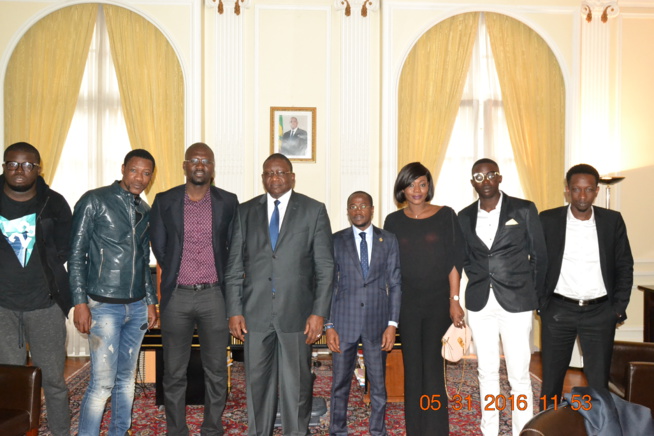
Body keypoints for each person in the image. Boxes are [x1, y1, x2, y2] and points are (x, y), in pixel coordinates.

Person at [225, 153, 334, 436]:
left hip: (298, 314)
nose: (274, 178)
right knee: (257, 384)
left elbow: (324, 267)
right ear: (263, 178)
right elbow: (235, 265)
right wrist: (234, 310)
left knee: (296, 385)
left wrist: (319, 312)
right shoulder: (245, 211)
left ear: (292, 177)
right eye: (269, 173)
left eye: (280, 172)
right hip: (254, 314)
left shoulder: (314, 210)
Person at [150, 142, 238, 436]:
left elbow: (234, 248)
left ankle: (212, 427)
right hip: (178, 297)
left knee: (216, 370)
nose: (201, 166)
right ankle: (177, 430)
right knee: (174, 371)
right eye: (195, 161)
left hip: (215, 296)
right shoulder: (165, 200)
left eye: (207, 161)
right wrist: (177, 273)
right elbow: (160, 246)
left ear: (213, 168)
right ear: (185, 165)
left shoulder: (228, 201)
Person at [69, 149, 158, 436]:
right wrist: (80, 302)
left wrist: (151, 302)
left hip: (136, 307)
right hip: (103, 305)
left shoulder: (145, 211)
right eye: (134, 170)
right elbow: (76, 254)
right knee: (103, 383)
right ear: (123, 168)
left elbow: (144, 261)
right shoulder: (94, 200)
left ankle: (119, 432)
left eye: (146, 173)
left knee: (126, 381)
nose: (140, 178)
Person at [457, 158, 547, 436]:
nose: (485, 181)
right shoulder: (464, 216)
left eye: (490, 175)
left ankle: (523, 431)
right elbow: (463, 258)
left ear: (499, 178)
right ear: (473, 182)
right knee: (486, 371)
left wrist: (534, 295)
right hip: (480, 303)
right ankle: (490, 431)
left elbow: (540, 256)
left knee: (519, 375)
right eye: (479, 177)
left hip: (517, 303)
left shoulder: (523, 209)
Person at [538, 164, 633, 409]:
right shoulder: (548, 220)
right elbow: (536, 263)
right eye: (577, 190)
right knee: (551, 383)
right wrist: (541, 305)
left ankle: (599, 429)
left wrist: (617, 309)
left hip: (600, 313)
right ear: (567, 190)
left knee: (599, 385)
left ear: (597, 191)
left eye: (588, 190)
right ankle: (546, 428)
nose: (582, 196)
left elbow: (624, 266)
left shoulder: (612, 221)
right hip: (558, 311)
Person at [383, 162, 464, 436]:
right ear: (402, 188)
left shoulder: (446, 216)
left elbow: (454, 262)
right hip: (406, 305)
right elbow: (389, 267)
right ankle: (415, 429)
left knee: (432, 366)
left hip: (437, 303)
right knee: (412, 368)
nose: (416, 190)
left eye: (422, 184)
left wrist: (454, 300)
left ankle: (436, 429)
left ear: (429, 186)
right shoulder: (393, 221)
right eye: (411, 184)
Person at [0, 141, 72, 436]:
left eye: (28, 165)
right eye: (13, 164)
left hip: (45, 306)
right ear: (4, 167)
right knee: (7, 379)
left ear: (38, 169)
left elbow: (67, 248)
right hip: (2, 309)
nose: (20, 170)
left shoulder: (54, 202)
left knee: (53, 380)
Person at [326, 191, 402, 436]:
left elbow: (396, 283)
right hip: (343, 322)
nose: (357, 210)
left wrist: (392, 324)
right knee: (339, 384)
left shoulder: (388, 240)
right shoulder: (336, 240)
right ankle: (337, 430)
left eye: (363, 206)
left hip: (377, 324)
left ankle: (377, 431)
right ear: (348, 211)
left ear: (372, 209)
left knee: (378, 384)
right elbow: (328, 284)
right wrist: (329, 325)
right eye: (352, 206)